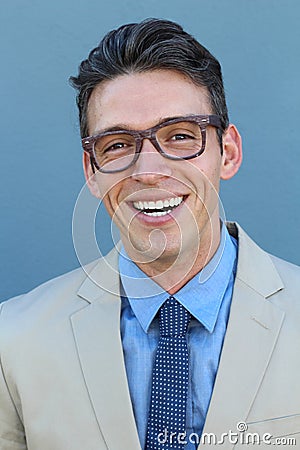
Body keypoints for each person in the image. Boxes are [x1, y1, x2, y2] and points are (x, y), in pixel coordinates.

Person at [0, 18, 299, 450]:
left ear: (228, 153)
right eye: (118, 144)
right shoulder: (13, 340)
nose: (150, 171)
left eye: (179, 136)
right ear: (92, 171)